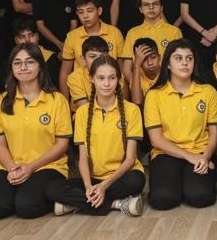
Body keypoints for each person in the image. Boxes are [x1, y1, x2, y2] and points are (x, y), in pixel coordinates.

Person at [0, 43, 72, 219]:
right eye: (17, 63)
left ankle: (32, 195)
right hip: (12, 165)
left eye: (29, 62)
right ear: (11, 68)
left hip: (47, 166)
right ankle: (20, 192)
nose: (23, 67)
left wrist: (31, 167)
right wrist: (11, 168)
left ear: (40, 66)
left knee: (27, 207)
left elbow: (62, 145)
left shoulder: (57, 100)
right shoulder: (1, 101)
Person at [46, 55, 145, 217]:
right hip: (94, 179)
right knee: (52, 188)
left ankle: (75, 204)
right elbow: (83, 158)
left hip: (121, 177)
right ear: (92, 79)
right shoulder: (82, 113)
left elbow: (130, 159)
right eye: (101, 78)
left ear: (118, 80)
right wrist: (88, 187)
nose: (106, 84)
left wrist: (104, 187)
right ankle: (117, 204)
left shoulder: (131, 110)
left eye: (112, 78)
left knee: (137, 181)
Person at [143, 39, 217, 210]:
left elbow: (214, 133)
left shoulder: (208, 91)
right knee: (164, 200)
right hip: (166, 153)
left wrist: (206, 157)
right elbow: (156, 140)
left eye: (189, 58)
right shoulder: (154, 95)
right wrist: (188, 156)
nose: (184, 63)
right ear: (168, 64)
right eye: (178, 58)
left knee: (200, 197)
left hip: (199, 152)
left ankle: (196, 179)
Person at [59, 0, 124, 98]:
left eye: (89, 11)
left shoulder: (114, 33)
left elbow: (121, 69)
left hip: (111, 94)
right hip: (81, 93)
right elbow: (65, 72)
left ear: (99, 11)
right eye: (81, 12)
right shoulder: (72, 37)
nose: (85, 16)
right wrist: (64, 103)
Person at [119, 0, 182, 82]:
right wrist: (138, 88)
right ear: (140, 9)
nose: (151, 7)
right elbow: (126, 69)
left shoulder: (174, 31)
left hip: (168, 88)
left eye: (155, 4)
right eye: (146, 5)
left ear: (161, 8)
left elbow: (179, 64)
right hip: (141, 89)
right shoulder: (133, 33)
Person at [67, 36, 119, 111]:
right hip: (85, 118)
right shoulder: (74, 77)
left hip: (113, 115)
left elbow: (122, 103)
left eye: (102, 57)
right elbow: (85, 110)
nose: (97, 61)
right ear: (83, 59)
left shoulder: (115, 74)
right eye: (92, 56)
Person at [10, 17, 61, 92]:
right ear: (16, 40)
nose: (27, 40)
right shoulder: (11, 62)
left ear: (38, 36)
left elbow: (55, 88)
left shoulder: (51, 58)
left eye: (31, 35)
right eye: (22, 37)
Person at [129, 37, 160, 105]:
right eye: (144, 59)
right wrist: (136, 66)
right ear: (138, 61)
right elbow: (137, 101)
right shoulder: (136, 77)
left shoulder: (167, 73)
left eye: (153, 57)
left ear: (159, 57)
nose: (150, 63)